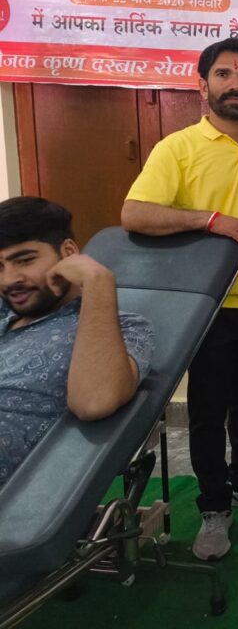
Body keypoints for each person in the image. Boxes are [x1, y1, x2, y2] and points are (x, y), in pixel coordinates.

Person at [121, 38, 238, 561]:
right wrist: (209, 220)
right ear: (203, 85)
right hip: (205, 307)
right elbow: (134, 214)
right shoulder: (177, 148)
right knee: (207, 410)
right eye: (223, 74)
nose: (235, 84)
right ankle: (214, 507)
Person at [0, 196, 153, 488]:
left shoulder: (126, 328)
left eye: (25, 260)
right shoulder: (5, 313)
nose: (9, 280)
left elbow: (94, 402)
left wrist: (97, 280)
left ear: (68, 252)